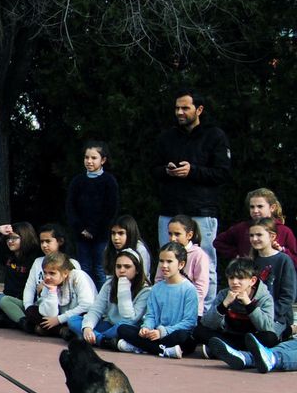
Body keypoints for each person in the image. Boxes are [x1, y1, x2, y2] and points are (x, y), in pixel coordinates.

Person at [153, 89, 230, 292]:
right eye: (177, 108)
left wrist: (193, 171)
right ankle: (166, 303)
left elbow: (222, 173)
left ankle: (205, 309)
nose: (180, 112)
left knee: (206, 263)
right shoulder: (167, 137)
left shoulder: (214, 136)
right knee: (166, 261)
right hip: (170, 210)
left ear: (199, 110)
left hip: (202, 210)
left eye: (185, 108)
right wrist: (167, 170)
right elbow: (152, 170)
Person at [116, 242, 201, 357]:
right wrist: (146, 328)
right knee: (122, 329)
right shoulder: (156, 289)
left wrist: (162, 332)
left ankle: (143, 347)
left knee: (182, 336)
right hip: (155, 335)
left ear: (181, 264)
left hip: (174, 335)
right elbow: (151, 315)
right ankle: (163, 350)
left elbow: (189, 322)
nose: (164, 265)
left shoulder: (189, 289)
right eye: (161, 261)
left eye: (169, 261)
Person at [64, 143, 119, 277]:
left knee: (101, 269)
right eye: (86, 157)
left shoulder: (109, 181)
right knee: (84, 268)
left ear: (103, 160)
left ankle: (102, 292)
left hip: (101, 234)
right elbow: (71, 207)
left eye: (94, 158)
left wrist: (93, 230)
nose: (89, 161)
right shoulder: (78, 181)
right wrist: (81, 229)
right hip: (81, 235)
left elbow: (111, 209)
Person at [80, 248, 150, 348]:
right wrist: (87, 328)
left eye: (127, 267)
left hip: (125, 328)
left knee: (123, 328)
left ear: (137, 270)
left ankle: (96, 338)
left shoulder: (145, 290)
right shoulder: (109, 284)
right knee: (74, 320)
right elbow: (96, 309)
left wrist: (123, 288)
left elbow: (130, 319)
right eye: (118, 266)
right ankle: (103, 340)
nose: (122, 270)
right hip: (109, 324)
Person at [18, 252, 94, 338]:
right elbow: (48, 314)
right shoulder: (48, 282)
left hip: (78, 316)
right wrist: (52, 292)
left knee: (74, 321)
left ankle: (54, 330)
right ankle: (61, 330)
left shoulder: (78, 276)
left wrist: (59, 319)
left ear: (65, 273)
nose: (47, 277)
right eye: (45, 273)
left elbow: (87, 305)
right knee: (31, 311)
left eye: (52, 273)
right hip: (59, 317)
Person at [213, 188, 297, 261]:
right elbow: (218, 242)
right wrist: (238, 255)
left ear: (272, 208)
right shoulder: (242, 228)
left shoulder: (284, 231)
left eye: (260, 206)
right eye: (252, 207)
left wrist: (282, 251)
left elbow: (295, 259)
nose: (255, 211)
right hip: (248, 272)